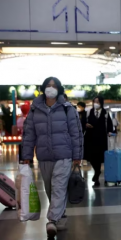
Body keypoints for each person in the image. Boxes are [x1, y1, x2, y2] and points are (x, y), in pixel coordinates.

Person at [21, 77, 83, 238]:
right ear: (43, 88)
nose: (51, 88)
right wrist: (26, 155)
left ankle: (52, 221)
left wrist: (77, 156)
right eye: (48, 86)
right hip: (44, 156)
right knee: (50, 188)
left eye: (54, 86)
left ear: (59, 89)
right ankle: (60, 217)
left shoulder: (67, 108)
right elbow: (29, 134)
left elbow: (76, 133)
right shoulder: (35, 110)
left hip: (64, 155)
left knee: (59, 187)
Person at [84, 96, 113, 187]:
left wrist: (109, 131)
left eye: (98, 101)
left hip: (101, 138)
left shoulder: (105, 112)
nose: (96, 103)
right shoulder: (89, 111)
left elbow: (109, 124)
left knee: (99, 157)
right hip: (90, 137)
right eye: (95, 101)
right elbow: (83, 121)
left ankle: (96, 177)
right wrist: (86, 125)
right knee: (91, 157)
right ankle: (97, 171)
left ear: (101, 103)